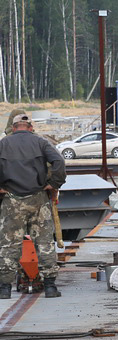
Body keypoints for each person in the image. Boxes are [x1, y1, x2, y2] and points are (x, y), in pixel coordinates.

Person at [0, 113, 67, 299]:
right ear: (30, 127)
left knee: (9, 245)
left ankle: (4, 289)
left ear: (13, 128)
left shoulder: (3, 144)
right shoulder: (41, 142)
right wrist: (54, 184)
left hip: (12, 201)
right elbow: (59, 161)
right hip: (38, 199)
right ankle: (50, 287)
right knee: (44, 243)